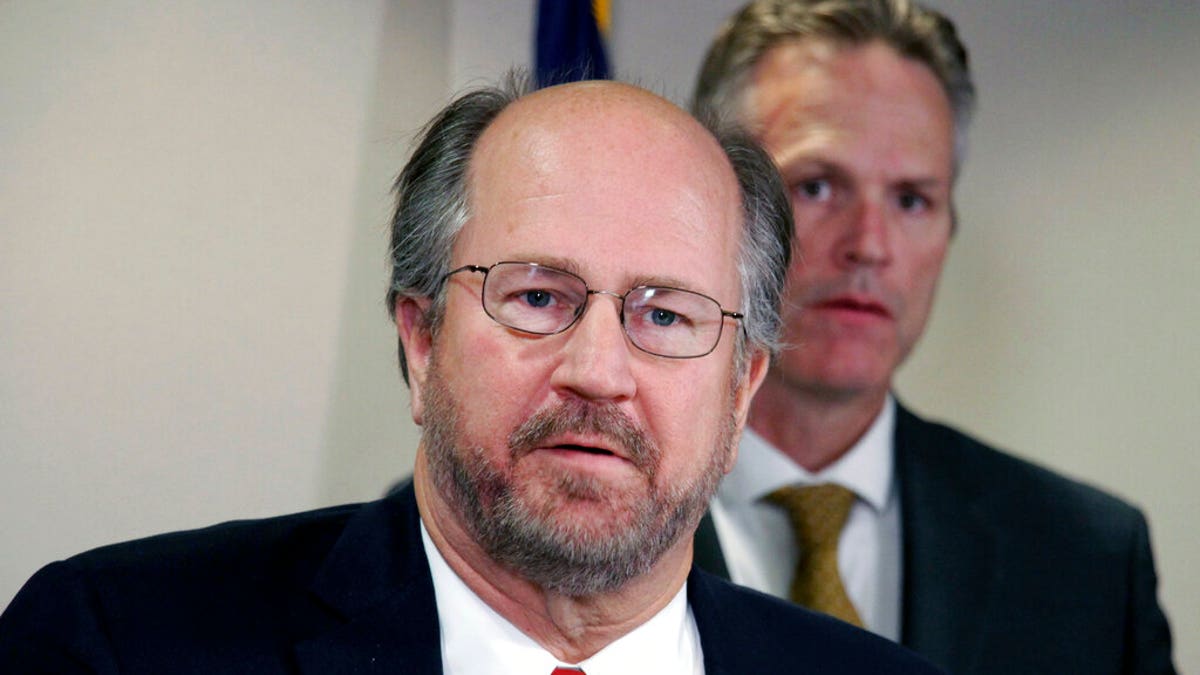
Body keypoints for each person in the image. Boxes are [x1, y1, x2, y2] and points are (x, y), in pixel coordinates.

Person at [0, 76, 948, 673]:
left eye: (666, 314)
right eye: (538, 297)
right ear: (420, 340)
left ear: (741, 388)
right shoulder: (119, 642)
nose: (598, 370)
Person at [689, 1, 1177, 674]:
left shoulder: (1087, 558)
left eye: (912, 199)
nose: (869, 245)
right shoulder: (578, 510)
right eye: (818, 185)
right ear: (706, 203)